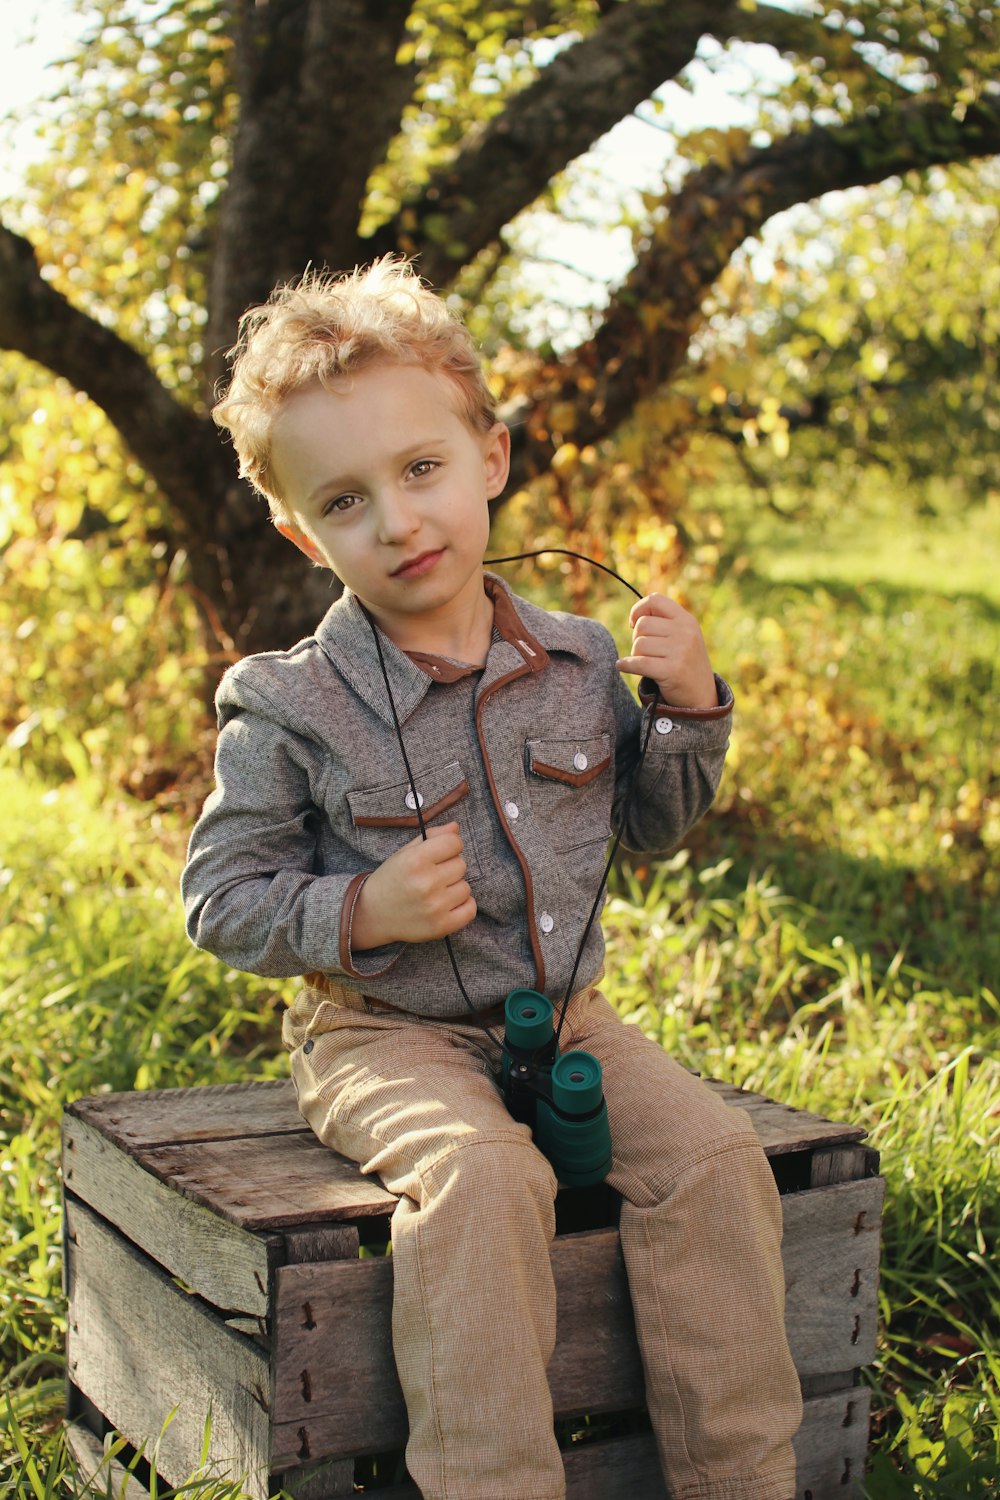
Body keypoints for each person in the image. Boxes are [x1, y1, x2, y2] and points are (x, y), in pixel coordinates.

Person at [182, 257, 802, 1500]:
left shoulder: (575, 660)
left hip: (566, 1017)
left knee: (718, 1161)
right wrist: (362, 911)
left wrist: (686, 709)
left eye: (423, 471)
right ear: (303, 531)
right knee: (481, 1179)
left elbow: (651, 822)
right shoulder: (287, 703)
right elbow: (220, 899)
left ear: (492, 461)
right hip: (383, 1037)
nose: (402, 521)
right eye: (348, 502)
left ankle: (746, 1477)